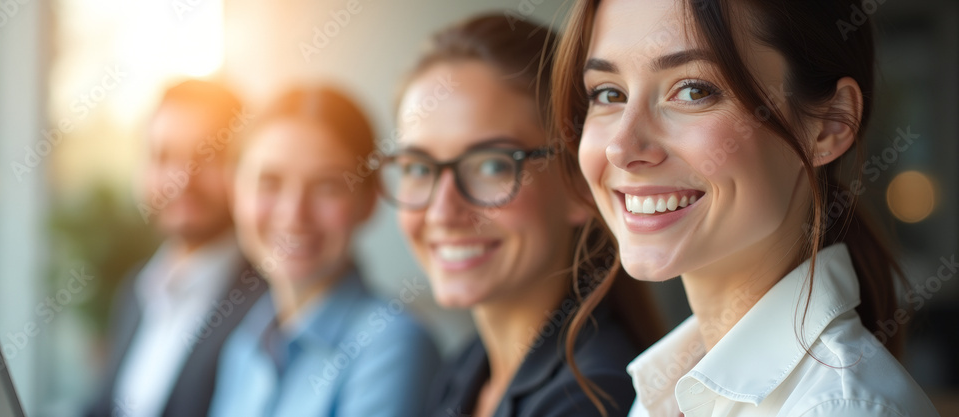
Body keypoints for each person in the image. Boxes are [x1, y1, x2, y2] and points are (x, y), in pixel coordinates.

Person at [551, 0, 941, 415]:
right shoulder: (669, 391)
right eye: (609, 93)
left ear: (830, 121)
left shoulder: (839, 408)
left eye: (694, 90)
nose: (621, 148)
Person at [381, 14, 664, 417]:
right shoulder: (467, 369)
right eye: (418, 168)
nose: (443, 212)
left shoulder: (593, 397)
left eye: (492, 166)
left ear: (578, 182)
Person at [208, 86, 440, 417]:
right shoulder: (244, 343)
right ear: (234, 193)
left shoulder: (394, 347)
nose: (293, 215)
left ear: (369, 200)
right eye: (269, 182)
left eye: (327, 186)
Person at [86, 80, 268, 417]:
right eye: (164, 156)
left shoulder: (271, 302)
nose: (182, 179)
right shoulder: (137, 287)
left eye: (207, 156)